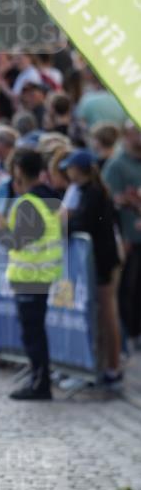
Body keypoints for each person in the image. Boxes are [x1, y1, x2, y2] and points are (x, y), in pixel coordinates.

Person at [60, 150, 122, 385]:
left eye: (70, 168)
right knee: (99, 314)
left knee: (107, 314)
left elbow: (81, 223)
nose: (67, 172)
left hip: (102, 261)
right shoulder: (85, 191)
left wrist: (66, 222)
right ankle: (101, 364)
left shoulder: (93, 193)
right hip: (97, 259)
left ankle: (112, 367)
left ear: (79, 169)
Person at [5, 149, 63, 400]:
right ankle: (40, 380)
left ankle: (40, 384)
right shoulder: (48, 196)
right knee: (35, 331)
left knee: (33, 333)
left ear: (19, 170)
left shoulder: (28, 202)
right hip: (41, 274)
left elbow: (18, 241)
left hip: (31, 276)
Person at [102, 121, 141, 349]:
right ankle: (131, 334)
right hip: (129, 237)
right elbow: (109, 201)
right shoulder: (117, 165)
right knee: (129, 288)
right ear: (127, 135)